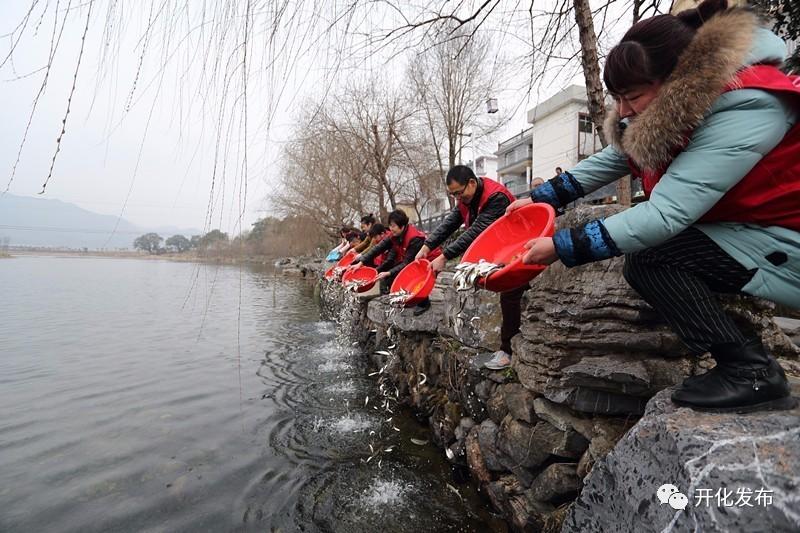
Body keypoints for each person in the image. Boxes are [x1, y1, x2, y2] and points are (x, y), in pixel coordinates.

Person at [508, 0, 799, 413]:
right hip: (753, 228)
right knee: (651, 256)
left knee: (653, 259)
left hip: (788, 242)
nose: (623, 112)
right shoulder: (685, 101)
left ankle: (751, 371)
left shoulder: (749, 104)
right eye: (618, 99)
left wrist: (562, 246)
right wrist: (536, 200)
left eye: (633, 97)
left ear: (676, 78)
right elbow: (613, 158)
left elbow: (666, 214)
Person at [416, 165, 518, 370]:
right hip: (497, 249)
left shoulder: (496, 197)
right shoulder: (466, 198)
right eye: (452, 194)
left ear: (471, 183)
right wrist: (426, 246)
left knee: (511, 292)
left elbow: (476, 232)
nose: (457, 198)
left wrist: (444, 256)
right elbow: (450, 223)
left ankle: (508, 351)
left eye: (458, 193)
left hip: (516, 247)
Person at [352, 209, 441, 313]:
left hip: (430, 260)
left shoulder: (414, 238)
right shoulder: (395, 235)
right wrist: (361, 263)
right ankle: (406, 299)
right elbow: (378, 248)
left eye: (393, 226)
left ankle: (423, 303)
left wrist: (388, 272)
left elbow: (408, 264)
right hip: (412, 260)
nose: (391, 229)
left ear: (402, 226)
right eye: (390, 225)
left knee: (415, 277)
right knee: (391, 278)